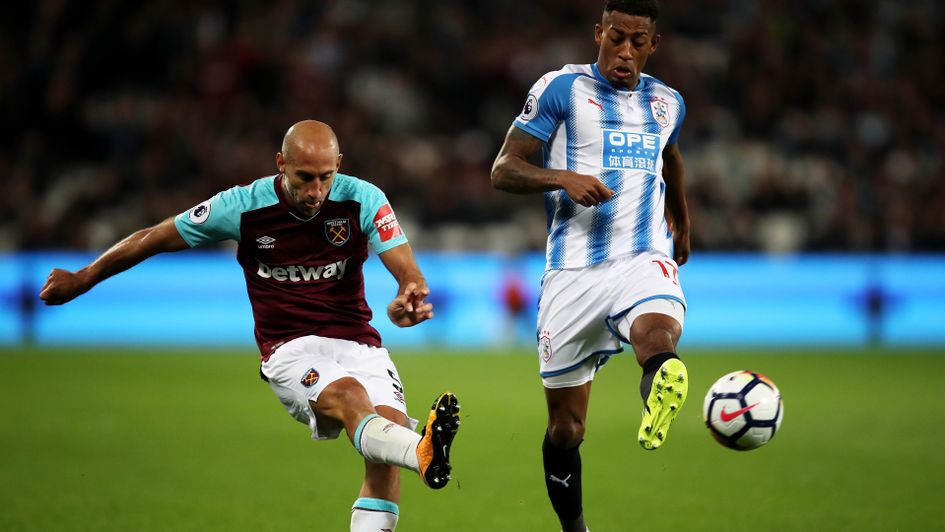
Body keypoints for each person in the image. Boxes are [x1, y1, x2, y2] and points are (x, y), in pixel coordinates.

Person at [39, 120, 460, 532]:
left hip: (359, 343)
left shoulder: (363, 198)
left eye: (325, 177)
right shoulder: (242, 206)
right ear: (281, 163)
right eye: (304, 177)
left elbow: (407, 269)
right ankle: (422, 451)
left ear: (339, 165)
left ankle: (418, 451)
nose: (315, 191)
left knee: (384, 458)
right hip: (290, 349)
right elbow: (154, 237)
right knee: (351, 399)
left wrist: (409, 295)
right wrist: (84, 278)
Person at [491, 1, 690, 530]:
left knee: (656, 334)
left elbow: (670, 156)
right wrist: (562, 178)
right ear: (598, 33)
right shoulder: (561, 89)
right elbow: (503, 169)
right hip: (571, 273)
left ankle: (661, 377)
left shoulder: (667, 103)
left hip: (643, 256)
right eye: (616, 37)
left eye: (637, 42)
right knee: (566, 430)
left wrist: (682, 221)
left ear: (653, 45)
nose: (624, 52)